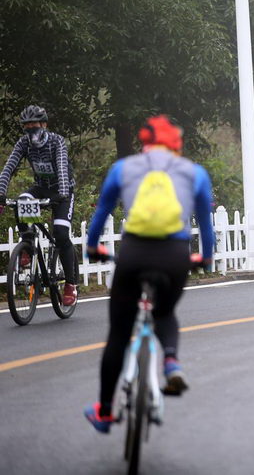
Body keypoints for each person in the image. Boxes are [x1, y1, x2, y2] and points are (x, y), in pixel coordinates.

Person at [83, 115, 214, 433]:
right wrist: (205, 257)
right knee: (165, 312)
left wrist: (91, 247)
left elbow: (102, 211)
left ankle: (104, 411)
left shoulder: (123, 168)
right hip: (174, 256)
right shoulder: (194, 172)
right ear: (176, 145)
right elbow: (206, 223)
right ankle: (171, 362)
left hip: (134, 254)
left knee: (118, 334)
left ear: (144, 142)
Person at [0, 105, 78, 305]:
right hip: (41, 188)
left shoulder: (56, 141)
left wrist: (61, 193)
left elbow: (61, 166)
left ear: (44, 124)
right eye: (26, 125)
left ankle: (71, 284)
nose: (30, 128)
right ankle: (28, 245)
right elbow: (9, 167)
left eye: (34, 124)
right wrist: (1, 194)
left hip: (63, 190)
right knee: (21, 201)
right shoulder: (23, 143)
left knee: (60, 234)